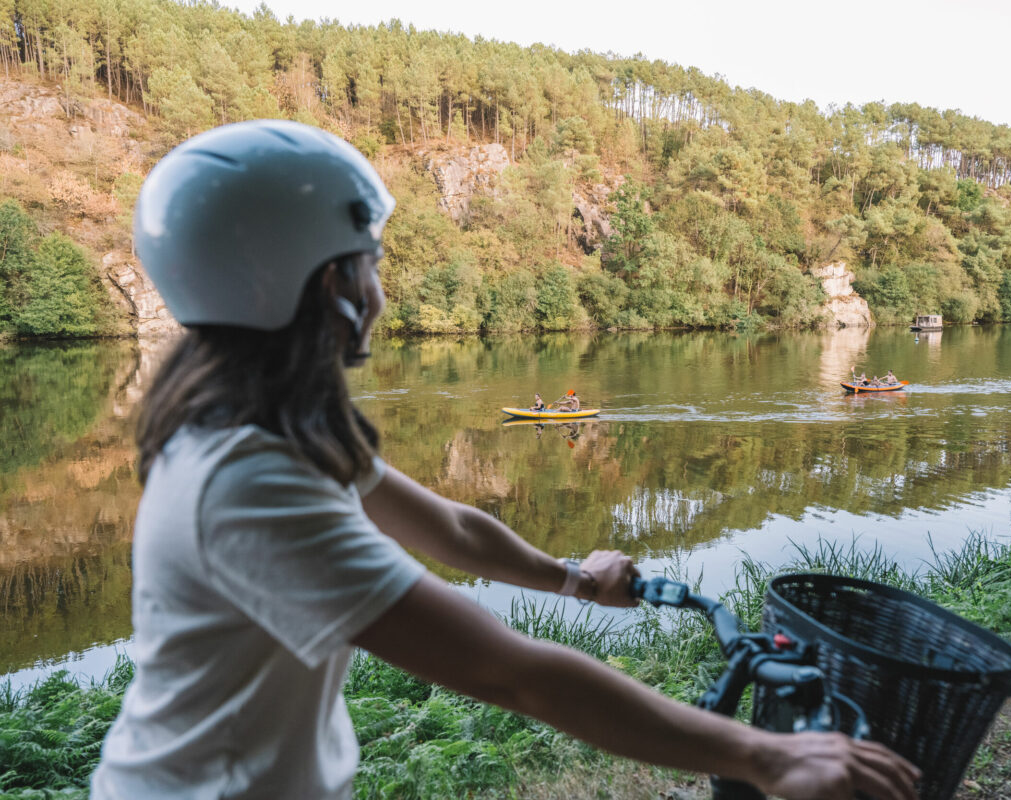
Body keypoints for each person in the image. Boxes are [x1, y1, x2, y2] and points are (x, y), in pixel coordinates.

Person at [90, 120, 919, 800]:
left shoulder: (270, 426)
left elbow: (449, 528)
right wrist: (766, 756)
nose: (380, 290)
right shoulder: (246, 479)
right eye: (368, 265)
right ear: (315, 285)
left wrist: (570, 579)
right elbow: (509, 671)